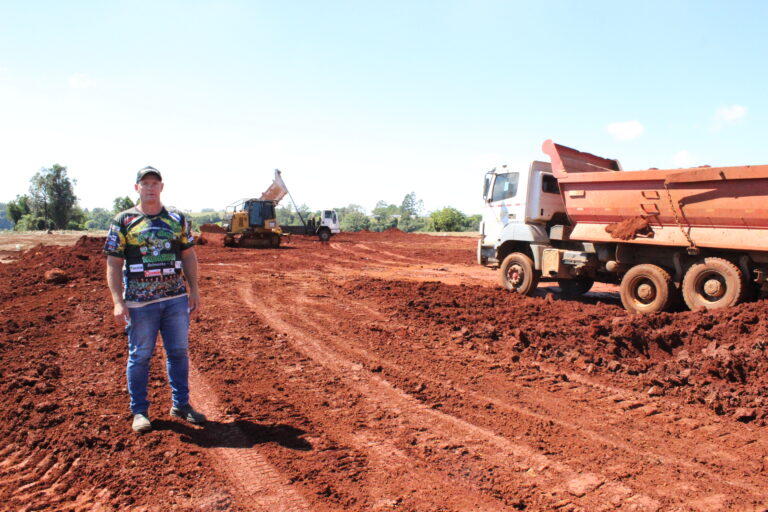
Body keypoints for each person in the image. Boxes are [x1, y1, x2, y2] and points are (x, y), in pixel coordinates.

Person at [104, 166, 206, 433]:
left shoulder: (177, 218)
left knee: (178, 353)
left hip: (175, 299)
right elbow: (114, 263)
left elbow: (188, 255)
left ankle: (181, 405)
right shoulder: (124, 220)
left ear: (162, 187)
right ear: (137, 187)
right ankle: (139, 411)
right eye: (145, 183)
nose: (150, 187)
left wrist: (194, 289)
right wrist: (117, 301)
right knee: (140, 356)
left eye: (154, 183)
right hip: (140, 303)